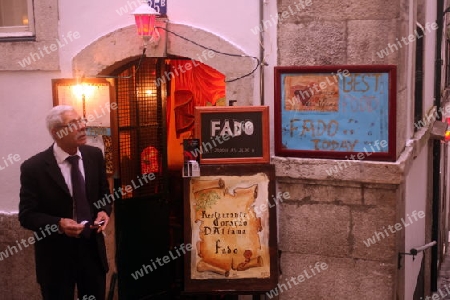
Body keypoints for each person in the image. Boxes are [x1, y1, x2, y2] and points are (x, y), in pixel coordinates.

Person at [19, 105, 112, 300]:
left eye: (81, 121)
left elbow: (104, 194)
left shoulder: (94, 156)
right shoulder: (34, 168)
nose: (82, 127)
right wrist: (58, 224)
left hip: (92, 252)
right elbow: (27, 216)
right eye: (74, 124)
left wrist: (104, 211)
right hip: (55, 259)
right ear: (56, 132)